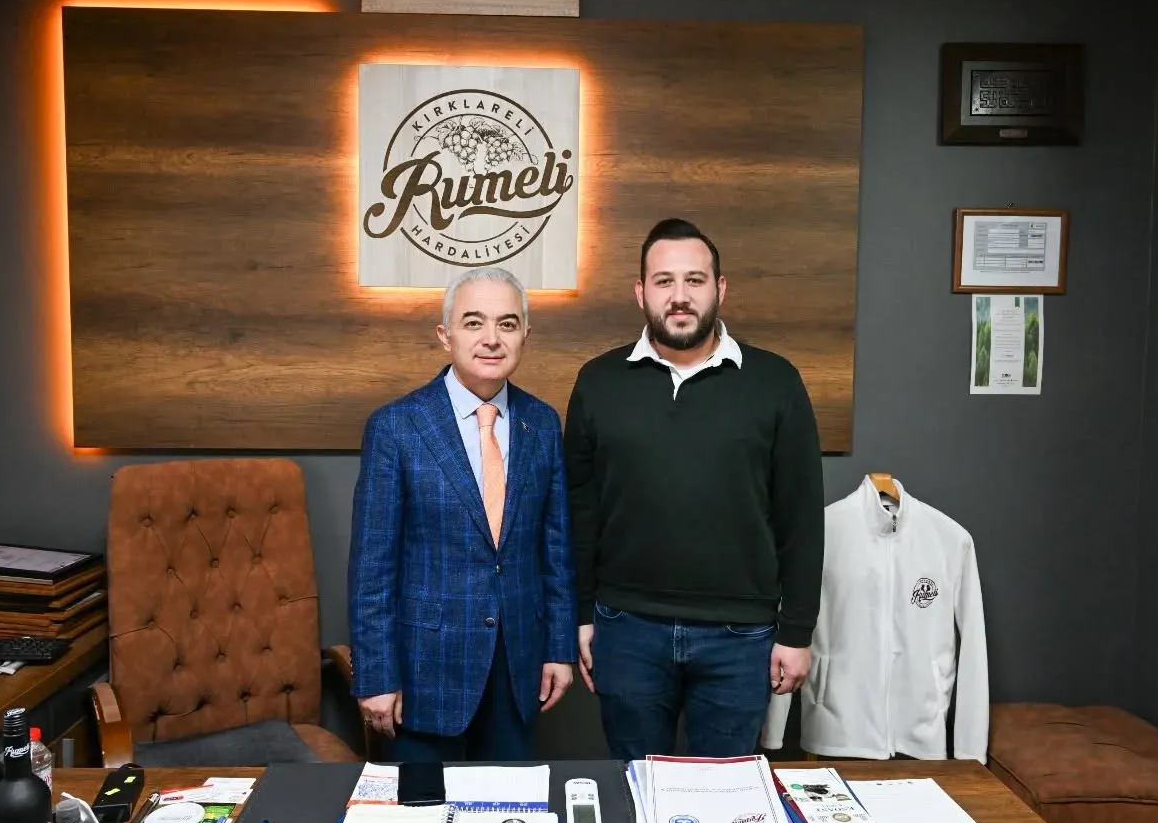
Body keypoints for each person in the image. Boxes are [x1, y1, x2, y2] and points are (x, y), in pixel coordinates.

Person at [564, 218, 825, 759]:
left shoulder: (775, 382)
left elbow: (801, 517)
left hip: (741, 637)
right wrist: (582, 614)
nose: (679, 296)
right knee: (636, 786)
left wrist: (797, 633)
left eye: (694, 280)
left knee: (724, 795)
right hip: (626, 629)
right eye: (664, 281)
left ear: (720, 288)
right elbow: (580, 512)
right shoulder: (598, 381)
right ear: (640, 292)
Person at [348, 266, 577, 761]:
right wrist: (376, 674)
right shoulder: (396, 427)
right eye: (474, 322)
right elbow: (372, 568)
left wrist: (559, 647)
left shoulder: (542, 423)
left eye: (507, 324)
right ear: (445, 334)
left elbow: (555, 549)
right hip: (424, 672)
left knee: (510, 804)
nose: (491, 338)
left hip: (519, 668)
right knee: (424, 808)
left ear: (525, 335)